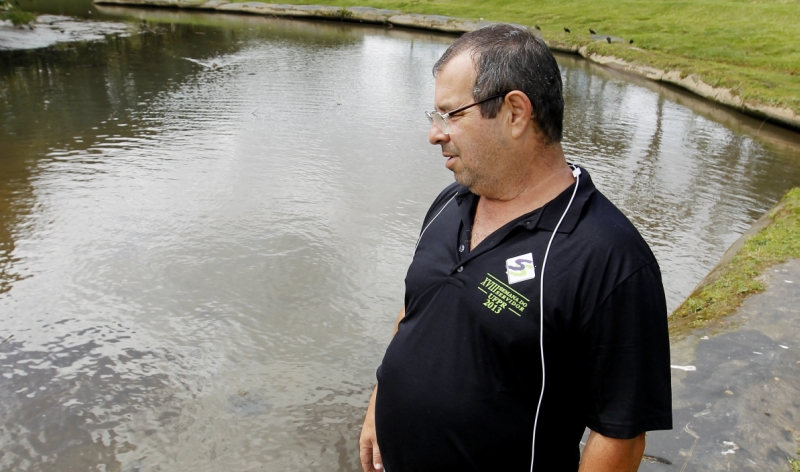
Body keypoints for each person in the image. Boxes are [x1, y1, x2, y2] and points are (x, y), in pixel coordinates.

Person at [359, 23, 672, 472]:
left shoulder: (608, 258)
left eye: (451, 115)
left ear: (515, 113)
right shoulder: (450, 202)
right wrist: (378, 402)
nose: (435, 134)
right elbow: (417, 311)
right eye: (434, 116)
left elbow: (619, 435)